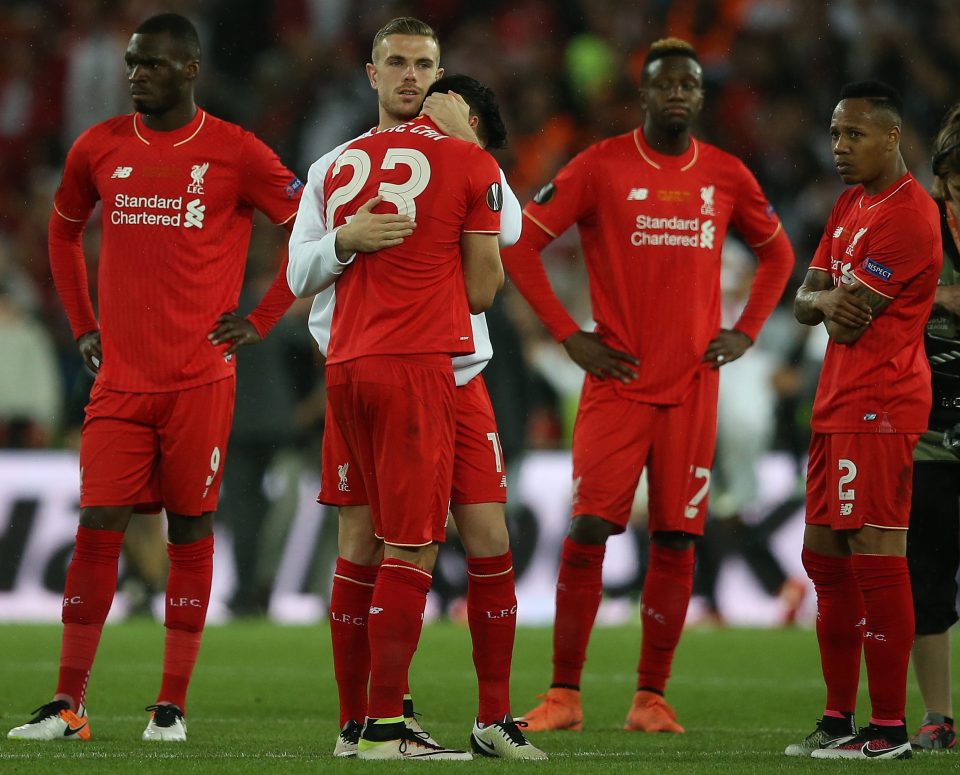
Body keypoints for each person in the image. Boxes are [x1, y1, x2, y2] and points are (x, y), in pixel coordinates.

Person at [7, 13, 302, 743]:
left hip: (200, 379)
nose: (136, 74)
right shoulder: (99, 146)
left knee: (190, 529)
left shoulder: (234, 152)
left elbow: (308, 220)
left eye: (153, 65)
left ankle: (170, 705)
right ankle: (68, 703)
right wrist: (82, 325)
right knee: (97, 524)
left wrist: (261, 318)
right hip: (120, 381)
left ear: (191, 68)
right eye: (133, 63)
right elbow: (63, 228)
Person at [502, 37, 794, 733]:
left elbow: (779, 254)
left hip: (693, 389)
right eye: (665, 84)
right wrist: (570, 334)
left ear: (700, 97)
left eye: (689, 86)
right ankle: (564, 694)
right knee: (590, 529)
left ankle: (650, 696)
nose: (678, 95)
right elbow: (520, 244)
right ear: (644, 95)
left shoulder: (725, 174)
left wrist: (746, 330)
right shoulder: (601, 166)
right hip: (619, 383)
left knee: (676, 540)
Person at [288, 19, 543, 760]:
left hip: (458, 374)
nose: (410, 76)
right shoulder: (332, 165)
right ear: (371, 74)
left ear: (440, 76)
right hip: (387, 363)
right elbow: (298, 274)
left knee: (488, 539)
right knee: (370, 543)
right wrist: (342, 240)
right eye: (395, 63)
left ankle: (491, 717)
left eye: (424, 65)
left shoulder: (466, 162)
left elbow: (512, 229)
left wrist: (469, 147)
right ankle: (365, 719)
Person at [785, 80, 941, 760]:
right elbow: (809, 299)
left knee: (876, 554)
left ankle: (888, 729)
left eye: (854, 135)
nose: (840, 148)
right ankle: (837, 716)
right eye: (834, 134)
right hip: (836, 402)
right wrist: (821, 300)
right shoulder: (850, 202)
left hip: (879, 403)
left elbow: (853, 314)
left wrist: (822, 300)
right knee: (822, 556)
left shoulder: (909, 215)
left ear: (892, 137)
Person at [904, 103, 960, 752]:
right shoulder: (913, 226)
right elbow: (868, 299)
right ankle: (938, 716)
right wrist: (928, 299)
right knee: (927, 577)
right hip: (925, 430)